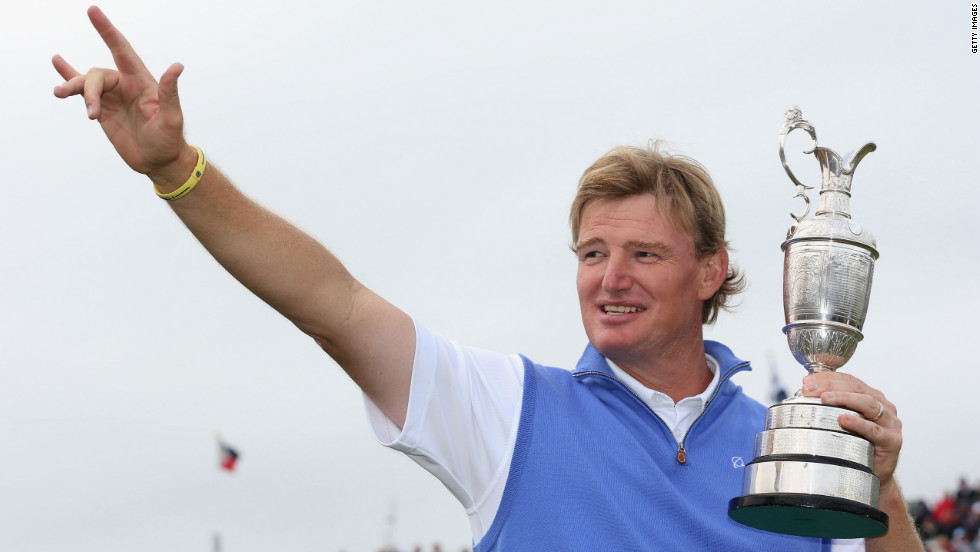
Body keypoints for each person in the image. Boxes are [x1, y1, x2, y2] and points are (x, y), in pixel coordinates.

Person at [52, 7, 924, 551]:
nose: (609, 279)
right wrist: (178, 172)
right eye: (591, 254)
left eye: (643, 255)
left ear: (712, 273)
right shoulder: (507, 409)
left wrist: (879, 487)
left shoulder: (793, 446)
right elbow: (332, 304)